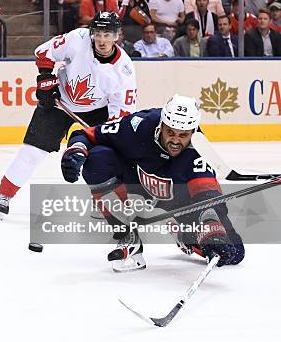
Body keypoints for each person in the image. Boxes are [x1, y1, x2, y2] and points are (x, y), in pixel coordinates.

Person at [60, 94, 244, 272]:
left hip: (178, 201)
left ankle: (181, 232)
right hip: (139, 184)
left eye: (183, 135)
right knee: (98, 159)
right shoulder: (139, 126)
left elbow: (208, 197)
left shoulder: (198, 151)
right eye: (170, 132)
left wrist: (212, 230)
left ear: (193, 133)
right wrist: (76, 149)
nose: (175, 141)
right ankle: (126, 234)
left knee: (234, 253)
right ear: (161, 125)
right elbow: (87, 134)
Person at [0, 12, 137, 219]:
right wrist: (45, 78)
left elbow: (121, 115)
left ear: (117, 36)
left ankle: (104, 200)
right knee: (32, 152)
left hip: (97, 112)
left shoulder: (124, 71)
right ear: (92, 33)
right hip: (59, 101)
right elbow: (45, 51)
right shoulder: (78, 39)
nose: (102, 40)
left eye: (108, 34)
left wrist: (108, 137)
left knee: (102, 157)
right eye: (98, 34)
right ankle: (4, 194)